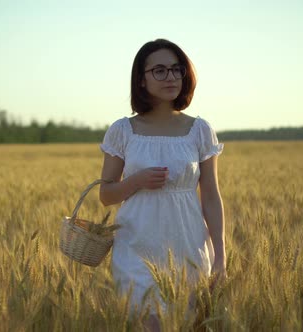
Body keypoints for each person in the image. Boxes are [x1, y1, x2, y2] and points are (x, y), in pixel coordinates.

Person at [99, 39, 226, 330]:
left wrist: (220, 254)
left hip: (189, 248)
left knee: (189, 323)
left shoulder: (200, 130)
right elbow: (106, 195)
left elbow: (211, 197)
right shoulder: (122, 130)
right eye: (159, 70)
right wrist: (135, 181)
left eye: (175, 69)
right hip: (136, 247)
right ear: (141, 80)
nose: (170, 77)